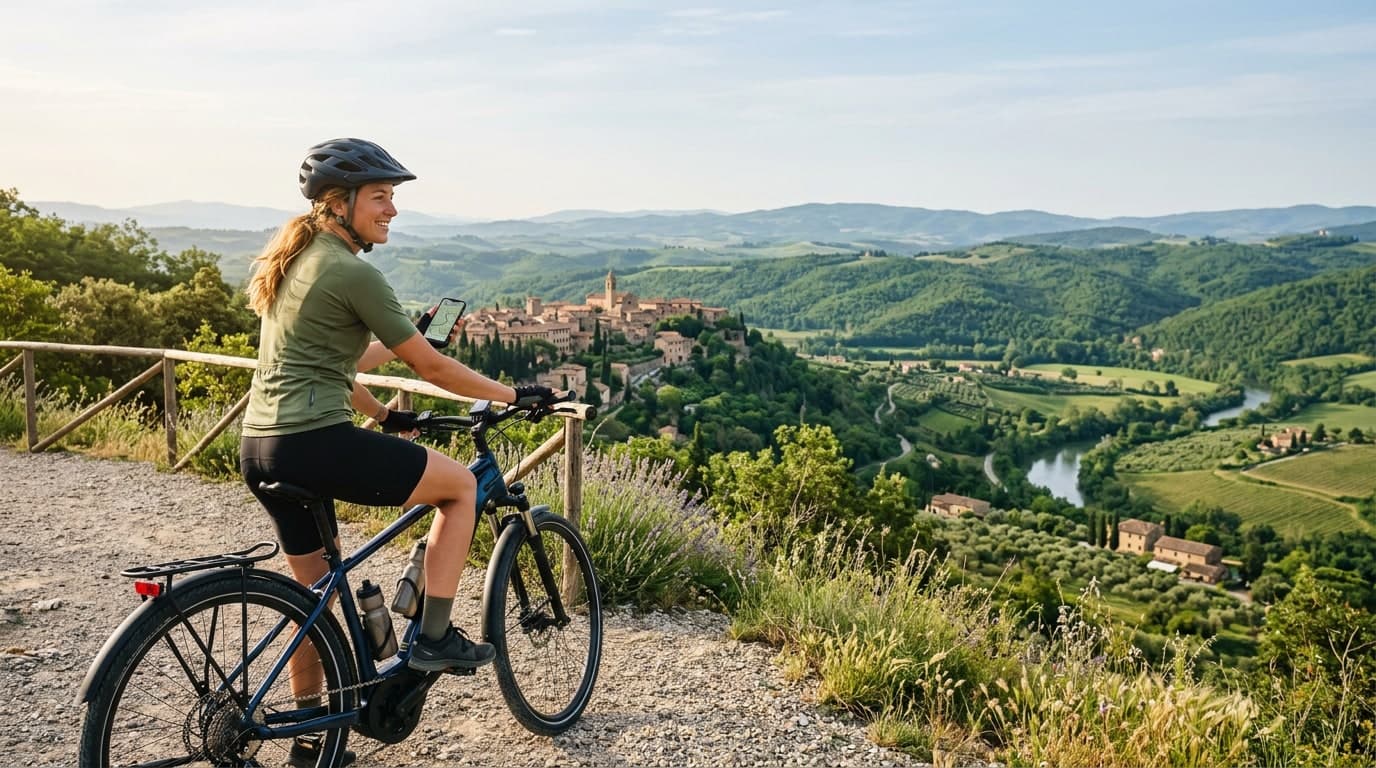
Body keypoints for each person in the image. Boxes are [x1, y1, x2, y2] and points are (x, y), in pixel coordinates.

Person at [239, 138, 552, 766]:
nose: (392, 211)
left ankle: (310, 740)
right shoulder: (352, 270)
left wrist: (383, 415)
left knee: (312, 601)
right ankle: (435, 636)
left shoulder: (300, 264)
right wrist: (514, 391)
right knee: (461, 486)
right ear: (339, 203)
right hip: (313, 443)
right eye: (380, 197)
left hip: (261, 447)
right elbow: (431, 364)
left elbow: (338, 363)